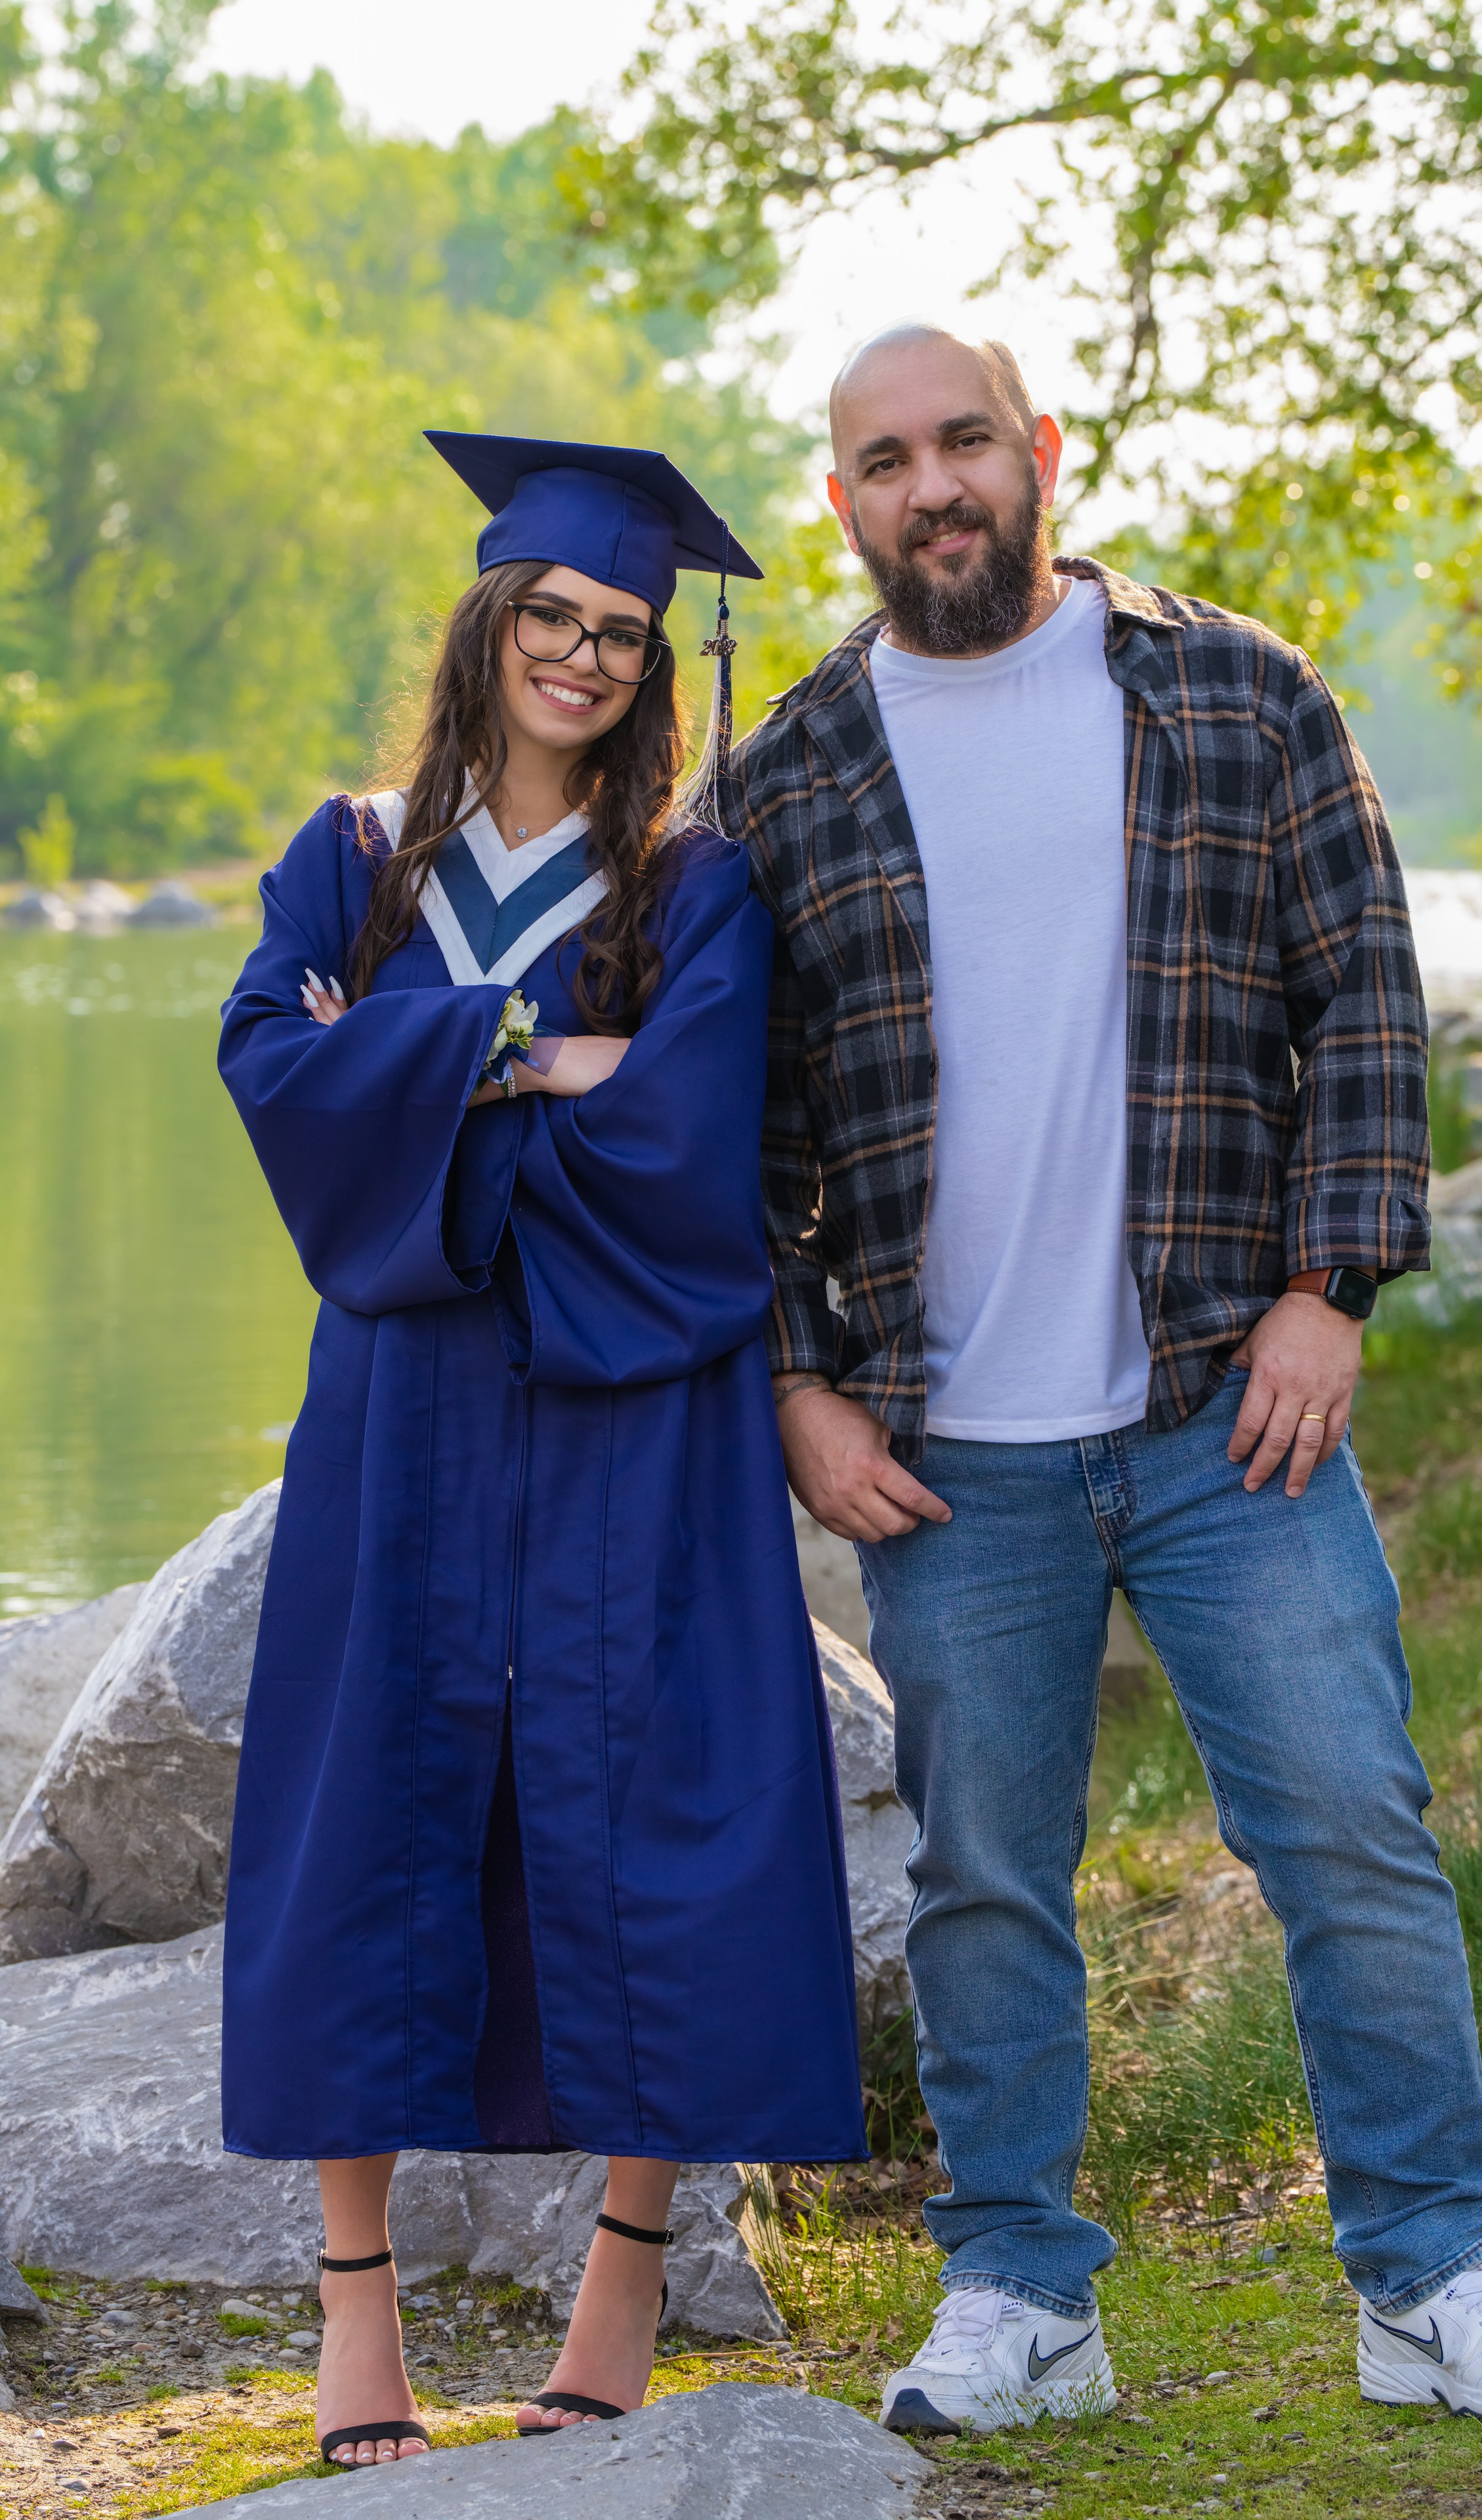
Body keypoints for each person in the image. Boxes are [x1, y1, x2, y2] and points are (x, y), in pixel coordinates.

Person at [727, 324, 1482, 2435]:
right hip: (948, 1453)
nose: (930, 487)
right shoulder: (783, 772)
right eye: (882, 461)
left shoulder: (1238, 690)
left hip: (1230, 1406)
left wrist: (1338, 1283)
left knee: (1351, 1834)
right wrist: (794, 1386)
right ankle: (1026, 2291)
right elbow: (733, 1124)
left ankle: (1429, 2272)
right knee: (982, 1883)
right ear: (838, 503)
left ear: (1042, 454)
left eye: (963, 444)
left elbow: (1363, 988)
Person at [218, 432, 866, 2471]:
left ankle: (622, 2278)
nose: (581, 656)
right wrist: (517, 1051)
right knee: (363, 1807)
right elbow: (269, 1066)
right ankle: (356, 2319)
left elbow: (683, 1147)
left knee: (653, 1799)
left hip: (631, 1407)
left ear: (654, 663)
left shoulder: (694, 879)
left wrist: (410, 1071)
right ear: (488, 624)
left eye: (620, 631)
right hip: (404, 1411)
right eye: (550, 618)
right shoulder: (353, 859)